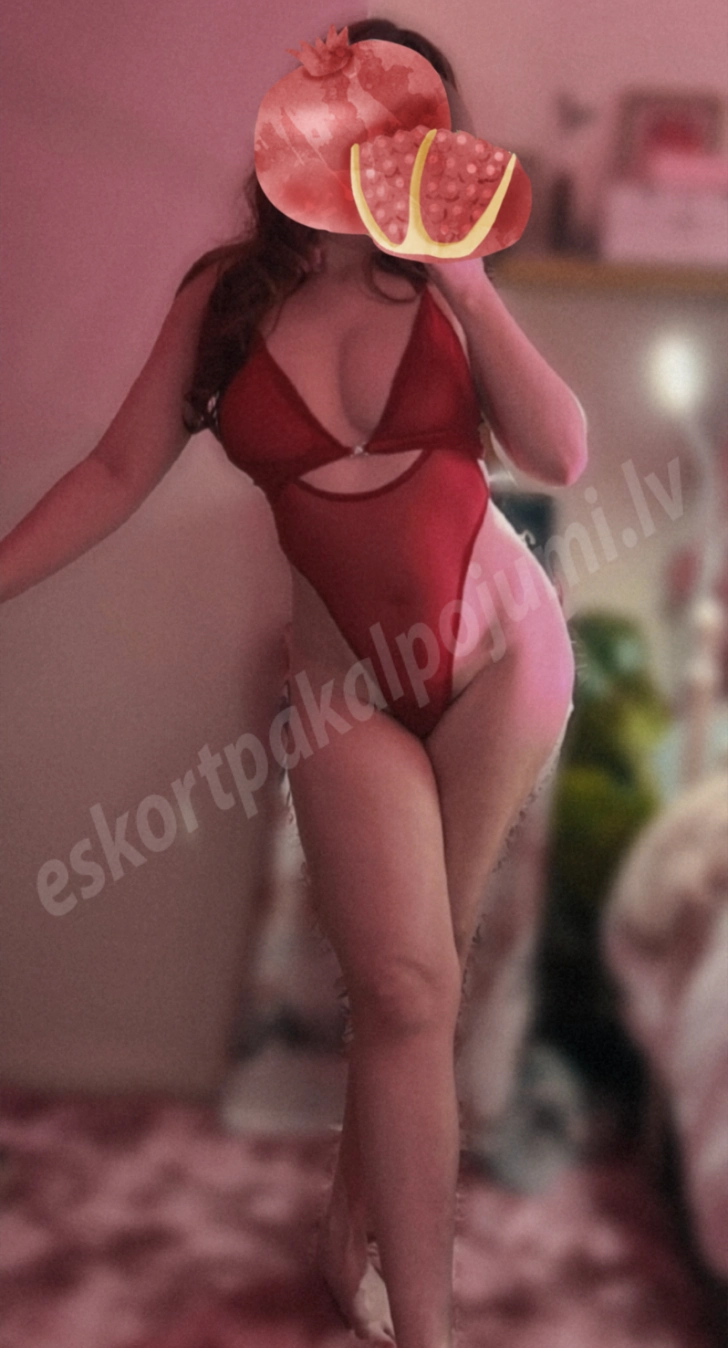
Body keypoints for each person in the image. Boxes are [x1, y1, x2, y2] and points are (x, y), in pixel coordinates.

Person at [0, 18, 587, 1348]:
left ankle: (379, 1268)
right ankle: (382, 1274)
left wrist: (467, 281)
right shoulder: (229, 300)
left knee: (419, 984)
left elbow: (560, 454)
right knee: (406, 988)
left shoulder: (442, 287)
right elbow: (113, 472)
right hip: (345, 688)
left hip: (503, 660)